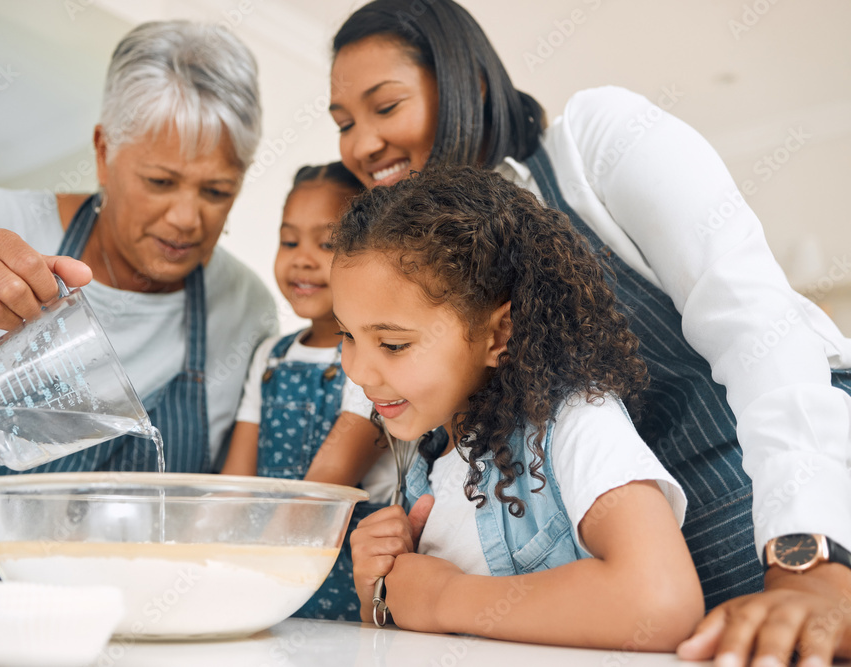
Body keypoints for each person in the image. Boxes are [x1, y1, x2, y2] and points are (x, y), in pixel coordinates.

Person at [328, 1, 851, 664]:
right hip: (695, 573)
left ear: (473, 86)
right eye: (342, 122)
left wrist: (810, 560)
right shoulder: (445, 296)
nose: (359, 144)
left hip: (810, 507)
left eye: (385, 106)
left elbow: (759, 330)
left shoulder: (600, 142)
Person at [0, 21, 276, 598]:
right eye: (160, 180)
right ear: (104, 153)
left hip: (128, 638)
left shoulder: (247, 308)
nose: (186, 218)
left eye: (216, 191)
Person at [334, 164, 703, 648]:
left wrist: (444, 596)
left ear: (499, 333)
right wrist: (379, 593)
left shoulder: (574, 423)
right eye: (346, 335)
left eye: (394, 344)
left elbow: (662, 601)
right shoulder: (427, 460)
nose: (359, 372)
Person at [221, 161, 393, 619]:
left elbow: (325, 486)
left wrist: (255, 569)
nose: (302, 258)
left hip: (342, 570)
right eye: (289, 241)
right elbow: (236, 488)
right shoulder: (270, 356)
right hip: (265, 564)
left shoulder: (378, 358)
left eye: (328, 243)